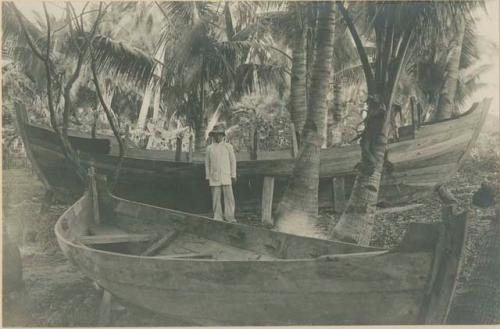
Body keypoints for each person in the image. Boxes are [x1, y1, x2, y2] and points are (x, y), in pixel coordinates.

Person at [205, 122, 237, 222]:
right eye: (215, 135)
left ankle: (230, 217)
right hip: (214, 176)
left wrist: (233, 175)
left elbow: (233, 162)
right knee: (215, 198)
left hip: (226, 176)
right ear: (213, 136)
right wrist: (208, 176)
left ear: (223, 135)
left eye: (219, 134)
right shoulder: (209, 148)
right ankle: (218, 217)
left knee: (229, 198)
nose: (217, 137)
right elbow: (207, 164)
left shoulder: (228, 147)